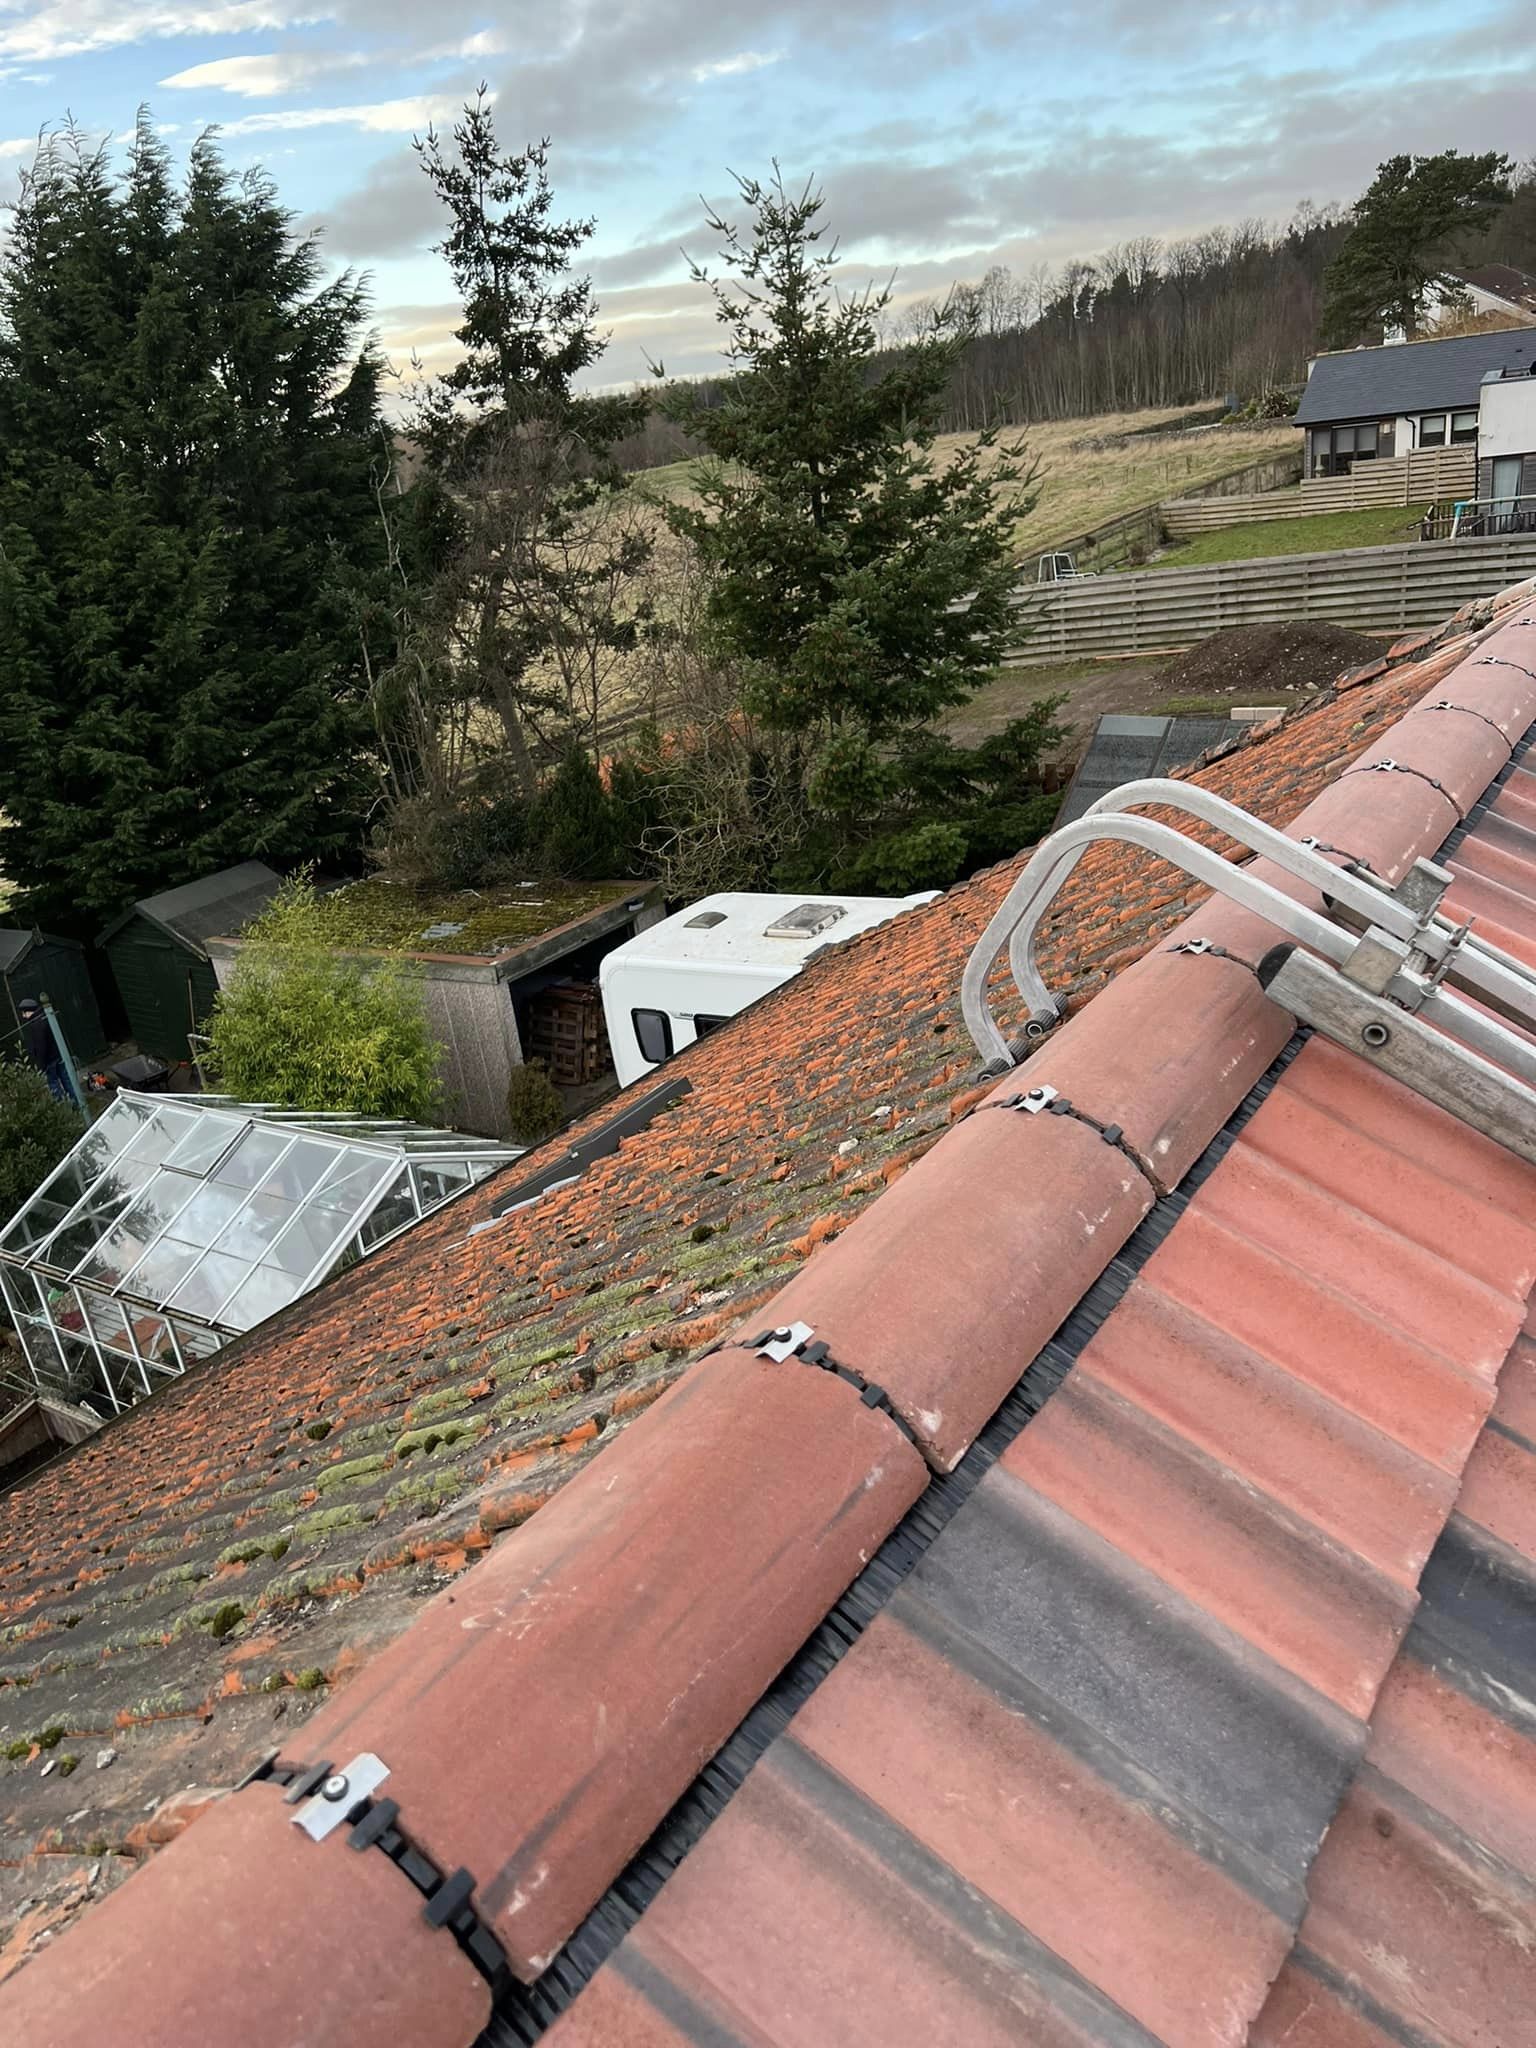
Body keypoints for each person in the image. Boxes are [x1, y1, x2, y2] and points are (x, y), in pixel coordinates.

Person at [17, 996, 72, 1104]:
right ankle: (76, 1102)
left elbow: (41, 1046)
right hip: (57, 1056)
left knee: (54, 1085)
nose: (23, 1016)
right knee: (66, 1080)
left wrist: (41, 1065)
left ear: (29, 1011)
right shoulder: (44, 1017)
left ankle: (64, 1106)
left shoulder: (35, 1024)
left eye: (24, 1013)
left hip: (49, 1061)